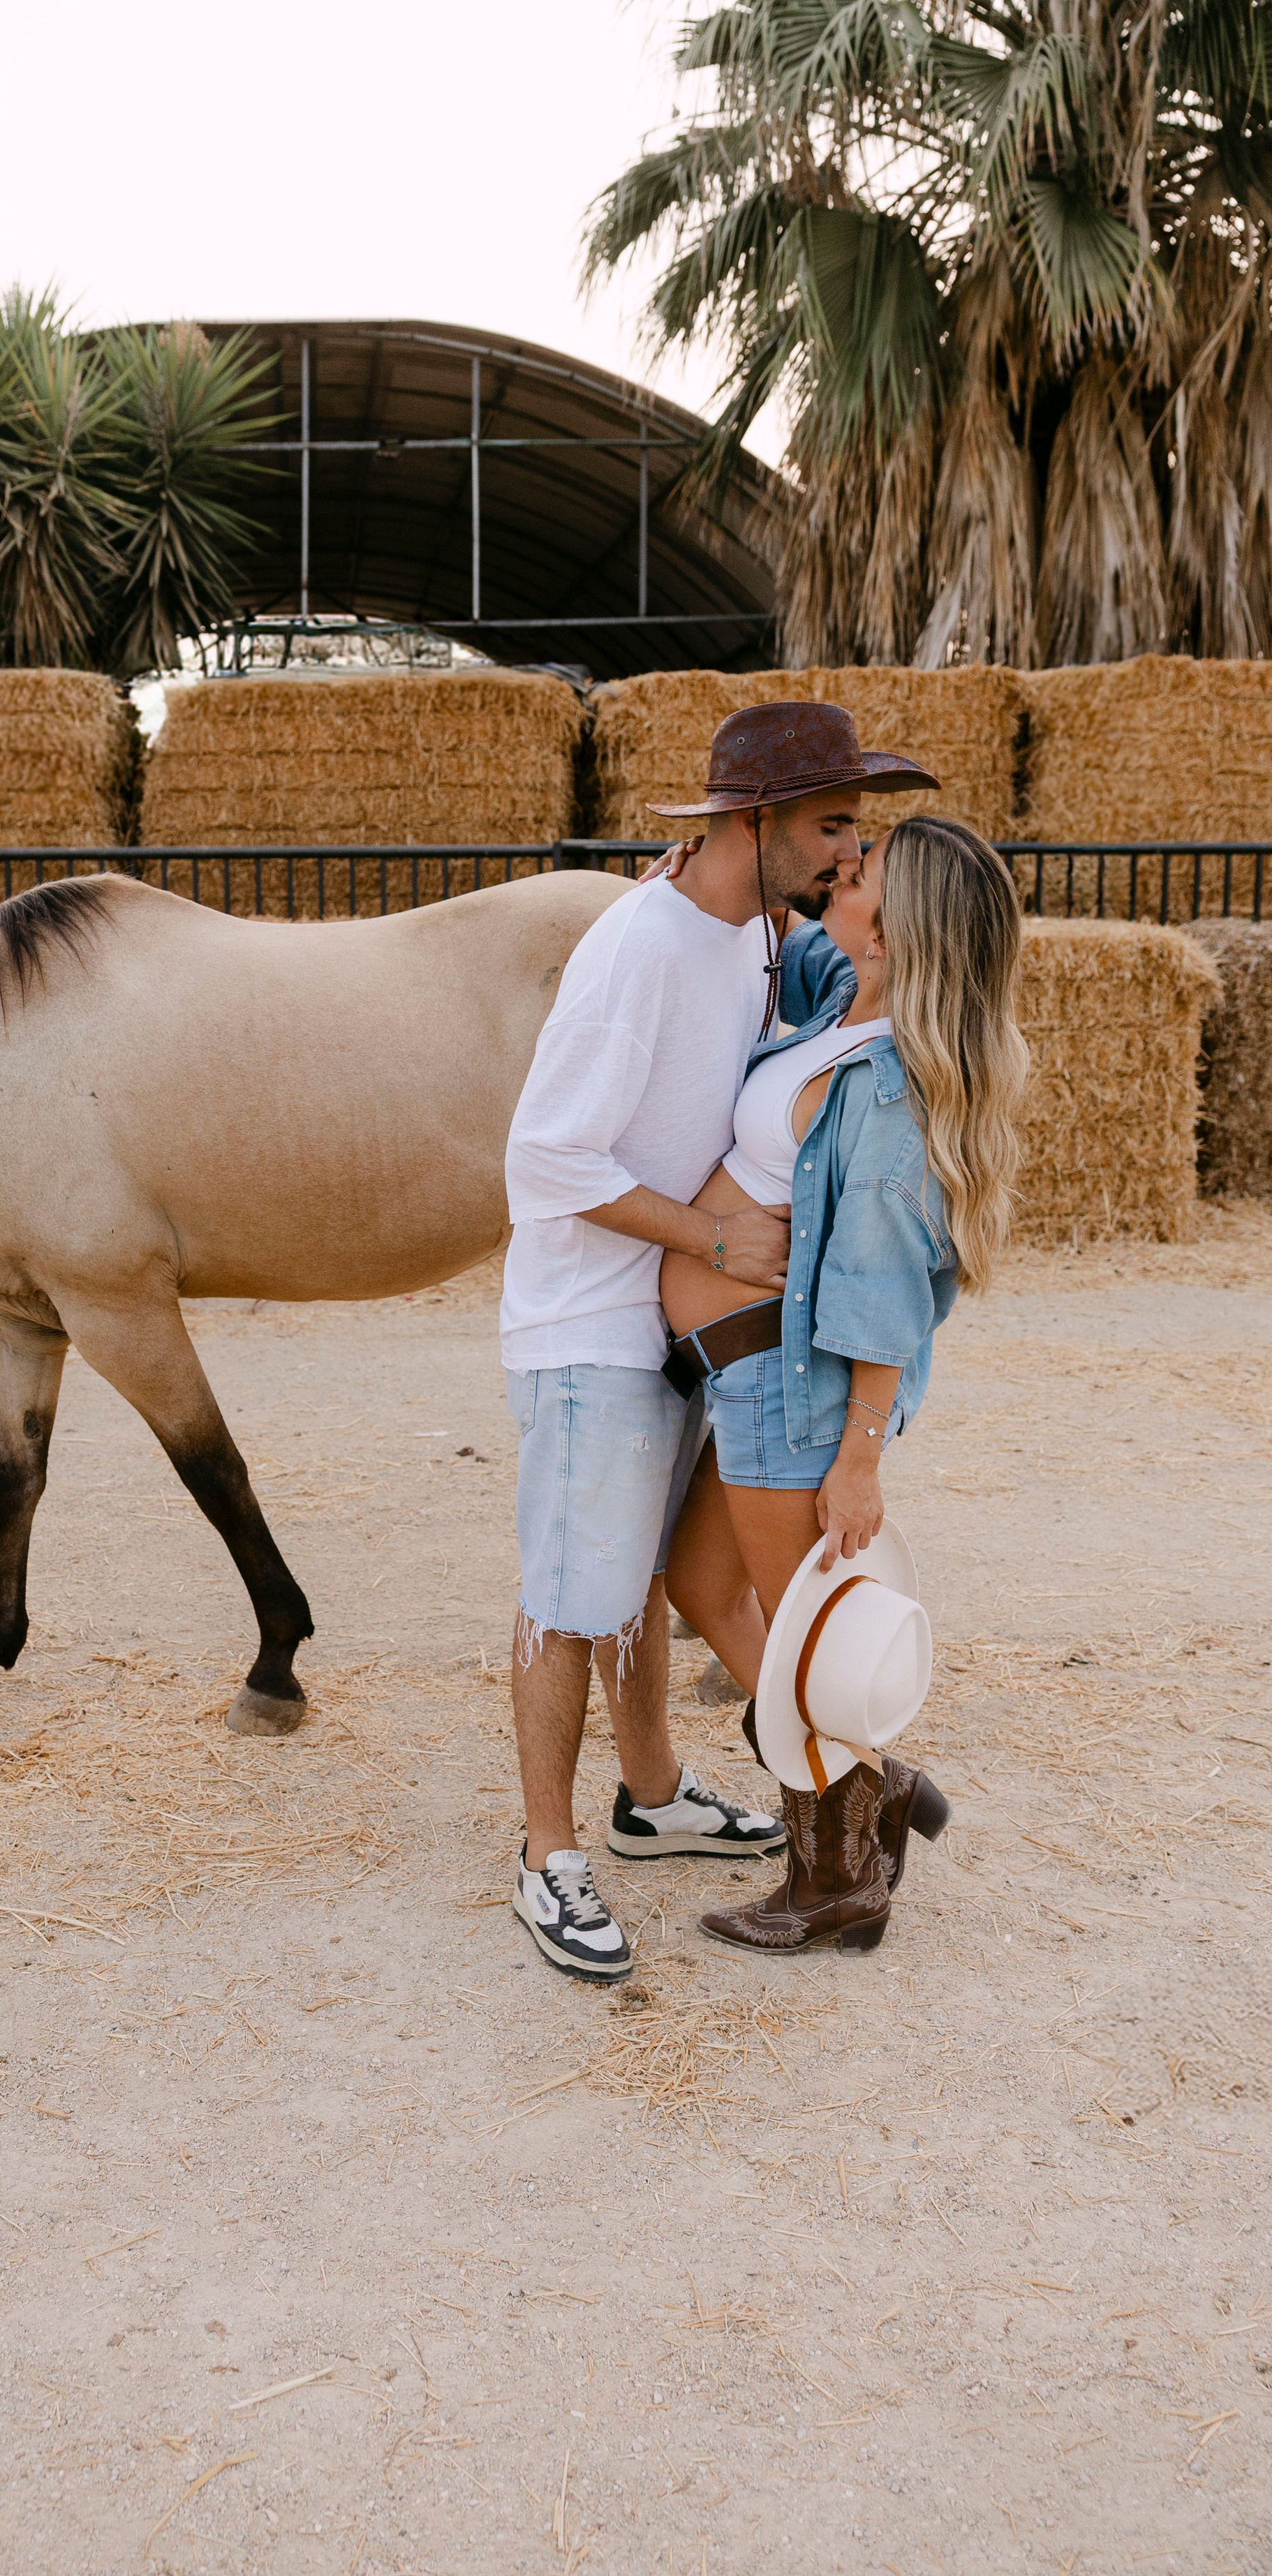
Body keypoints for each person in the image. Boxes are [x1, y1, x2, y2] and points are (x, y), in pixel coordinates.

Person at [501, 701, 937, 1983]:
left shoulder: (751, 931)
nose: (852, 854)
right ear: (755, 822)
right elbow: (544, 1153)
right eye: (834, 825)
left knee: (639, 1577)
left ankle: (651, 1799)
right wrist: (709, 1235)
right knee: (571, 1599)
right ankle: (546, 1856)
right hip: (593, 1317)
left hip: (669, 1315)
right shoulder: (640, 950)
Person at [657, 805, 1028, 1954]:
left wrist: (859, 1458)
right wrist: (715, 863)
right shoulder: (838, 1001)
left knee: (797, 1635)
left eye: (862, 869)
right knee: (698, 1587)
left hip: (796, 1390)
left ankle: (833, 1882)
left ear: (897, 922)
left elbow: (877, 1287)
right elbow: (786, 924)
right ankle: (876, 1783)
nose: (842, 871)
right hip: (750, 1376)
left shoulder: (885, 1086)